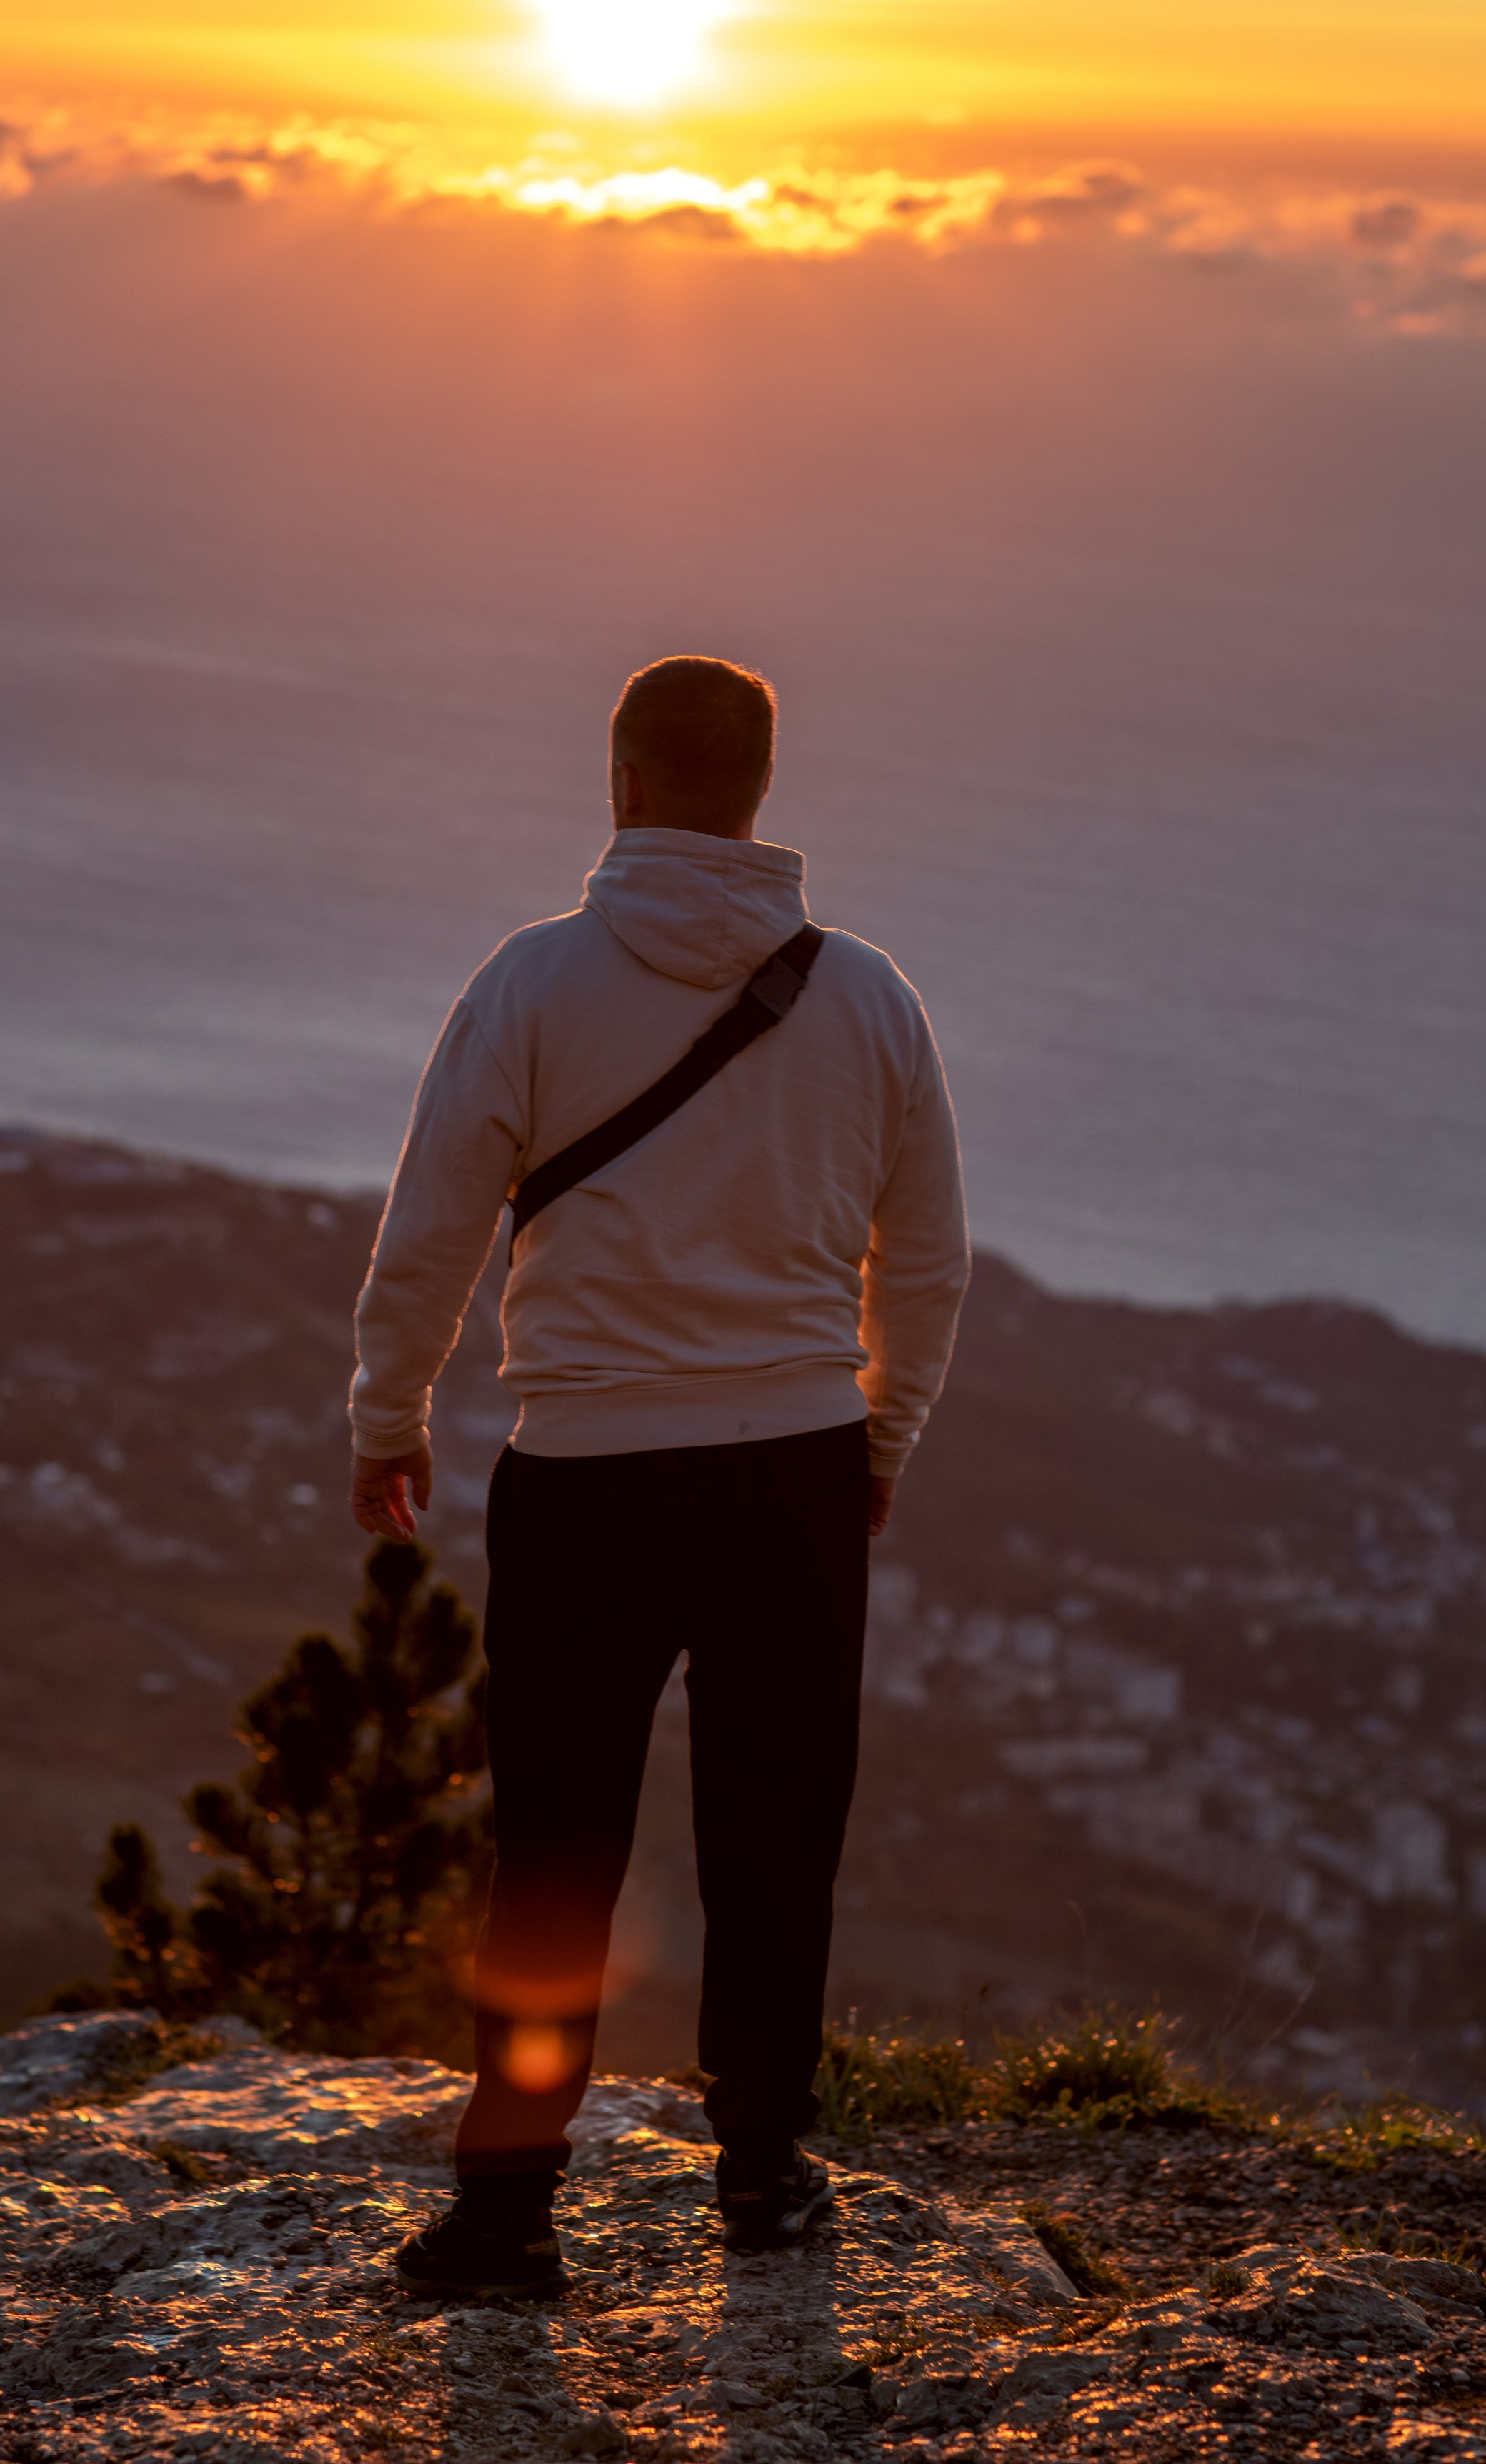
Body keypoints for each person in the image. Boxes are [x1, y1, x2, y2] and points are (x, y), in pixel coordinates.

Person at [348, 655, 969, 2300]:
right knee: (775, 1838)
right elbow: (925, 1271)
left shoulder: (532, 983)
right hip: (795, 1475)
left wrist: (385, 1416)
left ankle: (507, 2212)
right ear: (754, 794)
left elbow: (431, 1232)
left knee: (554, 1851)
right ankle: (762, 2180)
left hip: (588, 1476)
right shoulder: (869, 998)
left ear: (617, 784)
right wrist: (878, 1445)